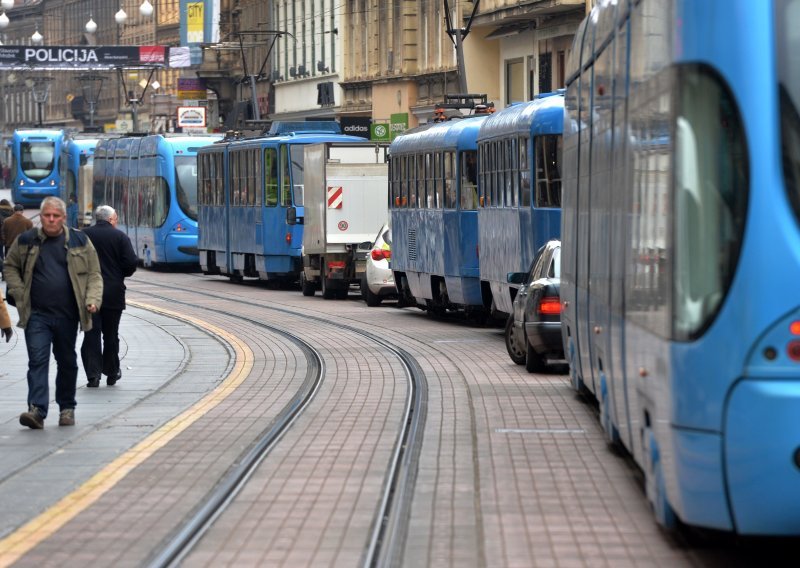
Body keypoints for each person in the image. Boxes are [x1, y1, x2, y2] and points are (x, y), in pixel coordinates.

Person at [3, 196, 103, 429]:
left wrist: (92, 300)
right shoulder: (27, 240)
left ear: (63, 218)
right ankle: (37, 410)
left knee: (67, 361)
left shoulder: (80, 240)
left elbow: (94, 275)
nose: (50, 220)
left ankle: (67, 408)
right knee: (38, 360)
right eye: (47, 215)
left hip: (68, 316)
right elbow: (10, 266)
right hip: (36, 314)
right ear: (41, 216)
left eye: (55, 216)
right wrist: (18, 293)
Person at [80, 205, 137, 388]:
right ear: (111, 219)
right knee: (111, 334)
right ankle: (112, 372)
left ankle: (93, 375)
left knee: (91, 333)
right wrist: (118, 273)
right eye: (116, 219)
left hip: (89, 293)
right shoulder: (120, 237)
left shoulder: (83, 235)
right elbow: (130, 264)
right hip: (113, 293)